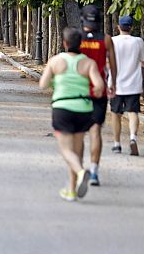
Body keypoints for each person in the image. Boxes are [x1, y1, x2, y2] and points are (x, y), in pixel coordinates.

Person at [39, 27, 105, 202]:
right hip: (83, 109)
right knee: (77, 150)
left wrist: (55, 79)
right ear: (80, 44)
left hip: (63, 108)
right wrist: (96, 92)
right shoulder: (88, 63)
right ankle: (72, 189)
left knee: (66, 150)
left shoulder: (55, 61)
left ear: (65, 43)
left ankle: (81, 172)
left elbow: (43, 84)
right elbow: (99, 86)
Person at [78, 5, 117, 186]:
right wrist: (113, 84)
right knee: (95, 131)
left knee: (78, 133)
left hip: (78, 90)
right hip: (98, 90)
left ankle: (79, 170)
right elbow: (113, 65)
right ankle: (93, 171)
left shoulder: (76, 38)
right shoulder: (106, 39)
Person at [110, 15, 144, 156]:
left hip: (115, 84)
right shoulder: (138, 42)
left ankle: (117, 143)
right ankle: (133, 137)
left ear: (118, 27)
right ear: (131, 27)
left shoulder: (112, 42)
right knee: (133, 112)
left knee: (116, 114)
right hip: (133, 84)